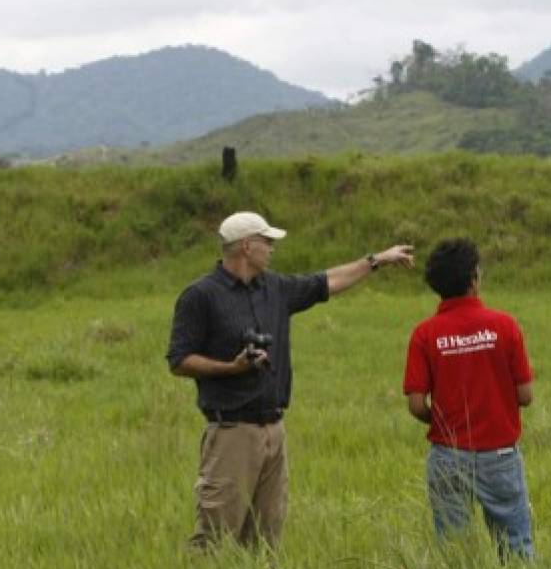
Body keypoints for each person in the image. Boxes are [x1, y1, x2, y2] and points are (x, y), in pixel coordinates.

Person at [167, 210, 413, 551]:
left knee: (267, 539)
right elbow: (179, 360)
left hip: (274, 430)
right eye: (267, 242)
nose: (272, 249)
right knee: (216, 539)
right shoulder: (200, 296)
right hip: (231, 433)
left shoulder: (276, 288)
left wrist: (377, 261)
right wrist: (232, 368)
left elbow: (328, 281)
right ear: (246, 246)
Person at [402, 238, 536, 559]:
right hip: (500, 454)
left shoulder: (425, 334)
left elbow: (416, 404)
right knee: (516, 547)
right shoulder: (505, 326)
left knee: (455, 554)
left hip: (448, 455)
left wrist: (441, 421)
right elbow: (525, 395)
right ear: (474, 279)